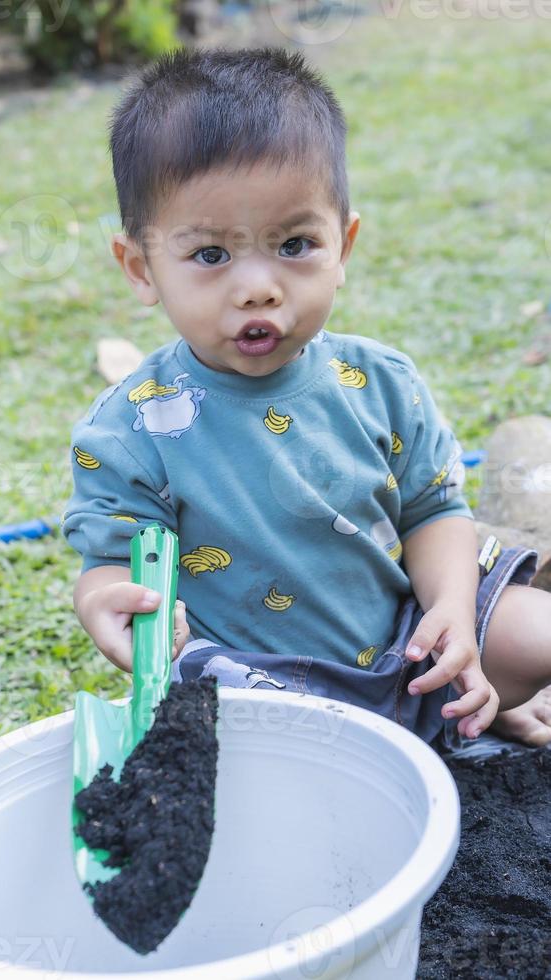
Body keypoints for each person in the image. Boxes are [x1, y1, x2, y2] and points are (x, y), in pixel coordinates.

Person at [62, 45, 551, 752]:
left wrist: (447, 610)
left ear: (343, 245)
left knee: (534, 629)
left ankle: (479, 699)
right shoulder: (129, 429)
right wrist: (105, 601)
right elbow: (113, 561)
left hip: (410, 656)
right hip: (256, 689)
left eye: (294, 243)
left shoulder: (382, 385)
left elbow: (434, 511)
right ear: (141, 268)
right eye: (210, 255)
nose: (259, 285)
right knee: (218, 745)